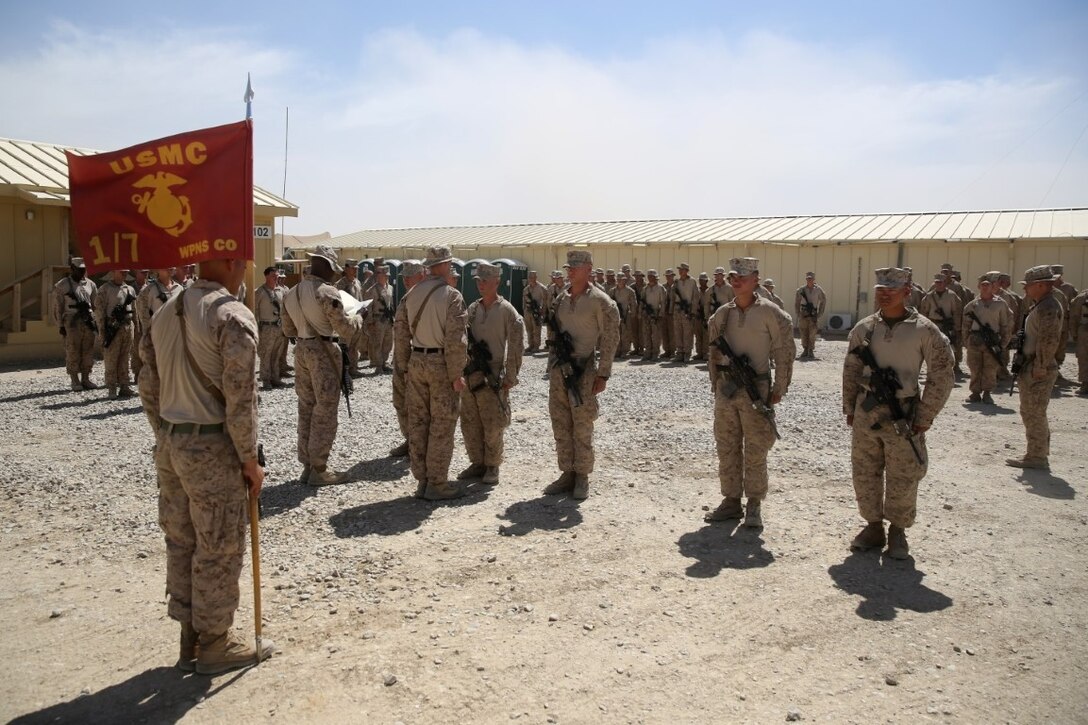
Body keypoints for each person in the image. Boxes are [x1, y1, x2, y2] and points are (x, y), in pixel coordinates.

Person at [138, 254, 274, 674]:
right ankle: (215, 643)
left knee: (182, 540)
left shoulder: (165, 310)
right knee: (218, 544)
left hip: (172, 443)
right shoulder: (231, 315)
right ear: (233, 262)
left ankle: (189, 637)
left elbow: (148, 382)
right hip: (213, 447)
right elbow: (240, 398)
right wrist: (249, 459)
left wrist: (165, 432)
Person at [844, 267, 954, 559]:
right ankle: (873, 526)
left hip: (903, 414)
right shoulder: (864, 328)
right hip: (867, 411)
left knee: (903, 474)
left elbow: (942, 375)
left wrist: (924, 415)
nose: (884, 293)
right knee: (864, 471)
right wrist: (849, 406)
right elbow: (852, 369)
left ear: (907, 291)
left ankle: (898, 531)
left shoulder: (925, 330)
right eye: (880, 288)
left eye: (891, 289)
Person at [704, 258, 795, 529]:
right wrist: (715, 384)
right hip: (727, 389)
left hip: (757, 389)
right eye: (733, 276)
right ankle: (731, 501)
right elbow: (712, 353)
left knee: (756, 449)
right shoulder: (721, 314)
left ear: (756, 278)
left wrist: (780, 387)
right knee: (727, 446)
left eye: (742, 276)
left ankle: (754, 504)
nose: (736, 280)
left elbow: (784, 353)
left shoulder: (773, 313)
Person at [282, 245, 364, 486]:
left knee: (306, 407)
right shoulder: (327, 292)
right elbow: (346, 329)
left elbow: (287, 329)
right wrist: (359, 317)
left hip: (301, 351)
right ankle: (319, 467)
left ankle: (307, 465)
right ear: (326, 265)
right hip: (324, 351)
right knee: (325, 409)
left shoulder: (292, 292)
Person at [542, 250, 620, 500]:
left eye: (576, 266)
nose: (571, 271)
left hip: (584, 369)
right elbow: (553, 334)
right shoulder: (560, 299)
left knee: (582, 424)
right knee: (561, 423)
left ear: (589, 268)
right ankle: (567, 472)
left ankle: (582, 476)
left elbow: (610, 339)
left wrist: (603, 374)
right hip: (559, 369)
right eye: (569, 267)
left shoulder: (601, 301)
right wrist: (551, 365)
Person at [396, 246, 468, 500]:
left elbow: (401, 334)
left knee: (418, 423)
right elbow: (456, 339)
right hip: (440, 365)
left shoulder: (412, 294)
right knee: (442, 424)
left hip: (416, 362)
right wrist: (457, 373)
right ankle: (437, 483)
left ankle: (422, 480)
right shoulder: (451, 295)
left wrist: (404, 366)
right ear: (447, 265)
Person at [457, 262, 524, 486]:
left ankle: (493, 465)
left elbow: (516, 346)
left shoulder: (507, 311)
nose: (481, 285)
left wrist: (510, 376)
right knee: (470, 421)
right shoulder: (473, 309)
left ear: (496, 282)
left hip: (493, 374)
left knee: (493, 423)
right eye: (478, 281)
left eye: (485, 281)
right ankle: (477, 462)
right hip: (470, 373)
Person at [1006, 265, 1064, 470]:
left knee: (1034, 412)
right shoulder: (1040, 305)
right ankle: (1037, 453)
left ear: (1040, 285)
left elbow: (1049, 340)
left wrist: (1041, 365)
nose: (1025, 289)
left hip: (1038, 367)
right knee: (1030, 411)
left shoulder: (1048, 307)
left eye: (1028, 285)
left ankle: (1037, 457)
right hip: (1031, 365)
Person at [390, 261, 427, 457]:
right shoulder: (408, 297)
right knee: (400, 401)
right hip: (401, 359)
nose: (405, 280)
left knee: (417, 405)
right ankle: (410, 439)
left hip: (416, 360)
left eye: (409, 276)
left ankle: (419, 443)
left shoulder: (425, 298)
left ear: (421, 275)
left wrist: (406, 367)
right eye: (404, 276)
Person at [962, 276, 1013, 404]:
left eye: (988, 285)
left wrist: (1004, 343)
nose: (985, 287)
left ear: (993, 287)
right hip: (975, 340)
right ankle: (975, 393)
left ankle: (987, 392)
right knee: (974, 367)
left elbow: (1005, 324)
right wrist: (966, 341)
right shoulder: (972, 305)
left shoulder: (1000, 304)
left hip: (993, 340)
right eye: (982, 285)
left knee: (990, 368)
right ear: (979, 287)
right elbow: (966, 325)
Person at [52, 257, 99, 391]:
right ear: (72, 269)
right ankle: (74, 379)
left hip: (88, 320)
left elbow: (96, 305)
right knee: (73, 350)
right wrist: (60, 325)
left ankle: (85, 378)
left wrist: (96, 322)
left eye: (84, 270)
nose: (82, 272)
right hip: (72, 321)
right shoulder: (62, 285)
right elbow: (58, 308)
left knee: (88, 350)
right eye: (79, 270)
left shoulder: (91, 284)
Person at [94, 268, 137, 399]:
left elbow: (134, 310)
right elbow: (99, 311)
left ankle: (124, 385)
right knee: (111, 357)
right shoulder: (105, 289)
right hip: (112, 327)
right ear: (113, 272)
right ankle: (112, 387)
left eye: (125, 272)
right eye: (121, 271)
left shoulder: (130, 289)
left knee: (125, 357)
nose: (124, 273)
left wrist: (137, 325)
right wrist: (102, 330)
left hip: (127, 326)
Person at [920, 274, 964, 377]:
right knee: (932, 347)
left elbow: (957, 311)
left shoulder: (952, 295)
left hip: (947, 325)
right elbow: (924, 311)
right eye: (936, 282)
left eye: (940, 282)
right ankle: (932, 368)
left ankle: (952, 366)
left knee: (951, 346)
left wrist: (957, 327)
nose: (938, 284)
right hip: (933, 324)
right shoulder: (929, 296)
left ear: (945, 283)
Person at [255, 266, 288, 390]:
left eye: (277, 276)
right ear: (266, 276)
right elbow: (255, 310)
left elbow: (285, 308)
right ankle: (266, 380)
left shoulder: (281, 291)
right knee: (266, 355)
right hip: (266, 327)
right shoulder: (260, 291)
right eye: (274, 276)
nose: (276, 278)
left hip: (279, 327)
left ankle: (275, 378)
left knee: (277, 354)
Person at [335, 259, 368, 378]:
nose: (355, 270)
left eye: (356, 268)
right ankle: (344, 370)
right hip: (347, 319)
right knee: (345, 345)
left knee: (355, 345)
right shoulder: (341, 284)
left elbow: (359, 298)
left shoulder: (357, 282)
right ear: (346, 268)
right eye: (353, 268)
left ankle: (353, 368)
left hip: (357, 318)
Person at [367, 265, 396, 373]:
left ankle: (384, 363)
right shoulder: (373, 290)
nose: (384, 277)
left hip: (388, 319)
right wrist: (370, 321)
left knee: (388, 342)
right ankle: (378, 366)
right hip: (378, 319)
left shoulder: (390, 288)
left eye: (385, 275)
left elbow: (391, 303)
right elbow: (369, 307)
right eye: (382, 275)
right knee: (378, 343)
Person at [671, 263, 700, 363]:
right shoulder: (676, 282)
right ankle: (679, 353)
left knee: (687, 333)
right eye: (679, 270)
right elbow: (672, 297)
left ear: (687, 271)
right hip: (677, 310)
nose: (680, 271)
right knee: (678, 332)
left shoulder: (692, 282)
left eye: (682, 270)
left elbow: (695, 297)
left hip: (687, 310)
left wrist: (693, 311)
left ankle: (687, 353)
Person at [794, 272, 826, 360]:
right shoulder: (801, 290)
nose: (809, 280)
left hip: (813, 314)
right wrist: (798, 313)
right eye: (808, 279)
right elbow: (797, 302)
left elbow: (823, 301)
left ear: (814, 279)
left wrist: (820, 313)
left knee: (812, 333)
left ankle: (811, 350)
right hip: (803, 314)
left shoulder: (818, 290)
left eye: (811, 278)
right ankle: (805, 350)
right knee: (803, 332)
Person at [640, 270, 668, 361]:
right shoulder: (645, 289)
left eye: (652, 276)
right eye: (649, 276)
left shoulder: (660, 288)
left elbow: (663, 302)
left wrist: (661, 314)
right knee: (646, 334)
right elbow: (642, 302)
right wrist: (641, 312)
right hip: (646, 315)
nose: (650, 278)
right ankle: (647, 352)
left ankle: (655, 353)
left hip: (656, 314)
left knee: (656, 335)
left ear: (656, 277)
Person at [523, 270, 550, 353]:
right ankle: (530, 345)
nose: (531, 279)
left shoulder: (541, 288)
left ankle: (536, 346)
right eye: (530, 277)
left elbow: (545, 300)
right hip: (528, 311)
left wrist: (543, 311)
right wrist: (524, 310)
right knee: (529, 329)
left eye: (533, 277)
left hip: (537, 311)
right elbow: (523, 301)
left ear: (536, 278)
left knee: (536, 329)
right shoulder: (526, 289)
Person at [612, 273, 638, 358]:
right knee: (616, 333)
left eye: (621, 279)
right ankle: (617, 350)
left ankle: (625, 351)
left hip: (626, 315)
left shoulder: (630, 291)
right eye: (618, 279)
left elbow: (633, 304)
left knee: (625, 334)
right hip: (615, 315)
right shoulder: (612, 291)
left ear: (624, 280)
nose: (619, 281)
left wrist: (632, 315)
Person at [130, 269, 149, 382]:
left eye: (146, 272)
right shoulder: (131, 289)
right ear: (136, 273)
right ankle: (137, 373)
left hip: (148, 322)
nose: (145, 274)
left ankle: (148, 373)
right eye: (142, 272)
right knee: (136, 350)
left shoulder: (151, 288)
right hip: (136, 323)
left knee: (148, 349)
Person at [1069, 286, 1088, 395]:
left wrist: (1075, 333)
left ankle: (1085, 384)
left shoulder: (1082, 297)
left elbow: (1074, 316)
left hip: (1084, 331)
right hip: (1084, 331)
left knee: (1084, 358)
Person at [694, 272, 710, 360]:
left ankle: (705, 353)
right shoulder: (697, 291)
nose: (701, 282)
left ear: (707, 281)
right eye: (700, 280)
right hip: (698, 315)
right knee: (698, 335)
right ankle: (699, 353)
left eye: (703, 280)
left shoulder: (709, 291)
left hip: (706, 315)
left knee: (706, 336)